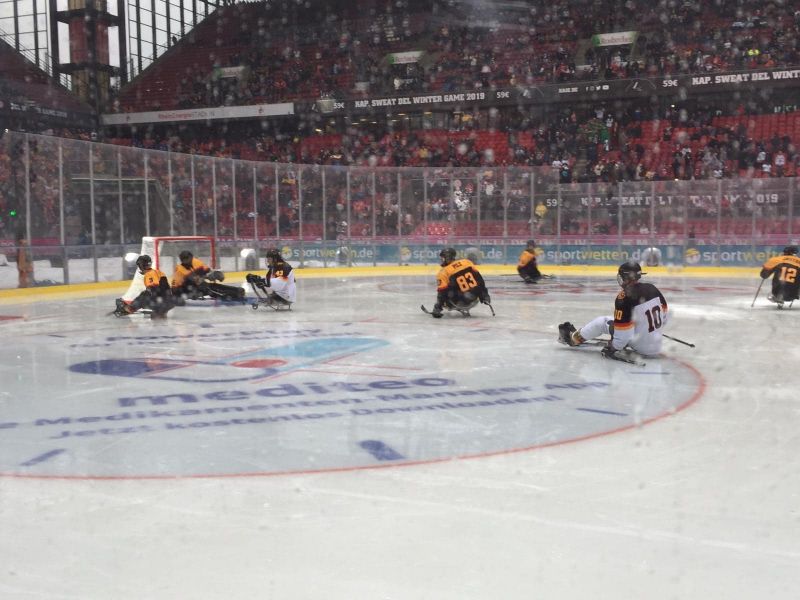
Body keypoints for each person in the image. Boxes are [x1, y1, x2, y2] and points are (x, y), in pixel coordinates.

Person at [558, 261, 668, 358]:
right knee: (630, 321)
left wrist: (614, 347)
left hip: (640, 346)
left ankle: (574, 339)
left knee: (602, 322)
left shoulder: (624, 297)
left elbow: (624, 334)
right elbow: (664, 316)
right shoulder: (652, 288)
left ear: (625, 278)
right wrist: (648, 329)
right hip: (657, 344)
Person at [430, 247, 491, 318]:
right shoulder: (467, 262)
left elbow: (442, 293)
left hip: (459, 303)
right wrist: (485, 295)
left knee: (443, 291)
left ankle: (444, 307)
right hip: (474, 299)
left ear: (447, 257)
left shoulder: (443, 272)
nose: (441, 260)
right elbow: (479, 279)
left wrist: (437, 307)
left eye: (442, 258)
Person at [171, 250, 244, 302]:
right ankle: (229, 295)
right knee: (205, 287)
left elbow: (207, 271)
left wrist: (215, 274)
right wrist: (208, 277)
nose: (189, 260)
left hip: (193, 287)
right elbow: (196, 279)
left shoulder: (196, 262)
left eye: (190, 258)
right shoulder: (180, 269)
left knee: (212, 286)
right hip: (181, 291)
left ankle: (236, 291)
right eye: (185, 259)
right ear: (182, 260)